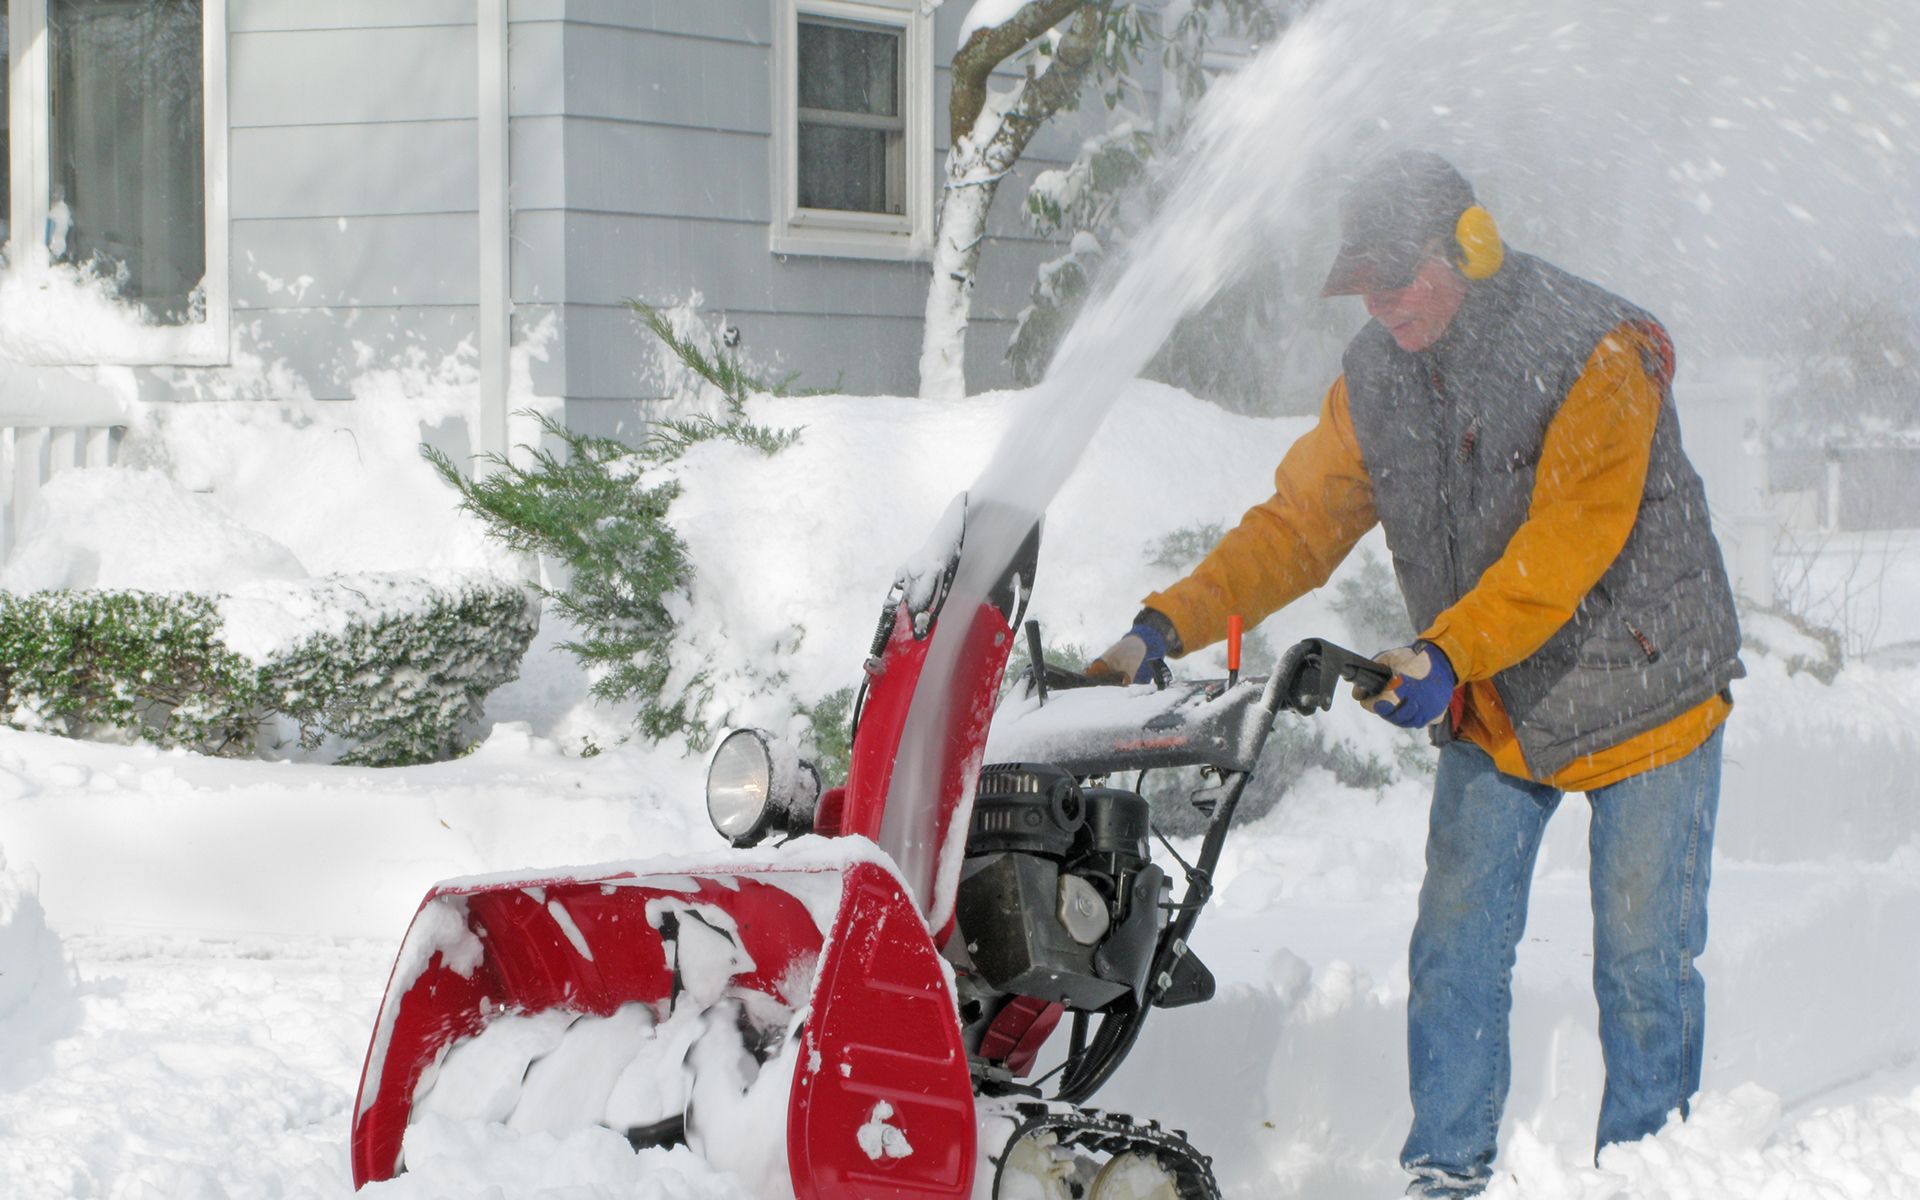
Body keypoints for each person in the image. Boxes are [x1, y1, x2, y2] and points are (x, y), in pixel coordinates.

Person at [1089, 150, 1743, 1199]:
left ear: (1470, 248)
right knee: (1453, 948)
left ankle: (1646, 1174)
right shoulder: (1377, 374)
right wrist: (1166, 624)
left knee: (1641, 966)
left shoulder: (1599, 352)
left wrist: (1444, 652)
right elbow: (1298, 527)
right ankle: (1446, 1171)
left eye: (1398, 282)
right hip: (1504, 698)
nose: (1382, 305)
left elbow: (1564, 549)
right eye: (1366, 287)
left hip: (1646, 687)